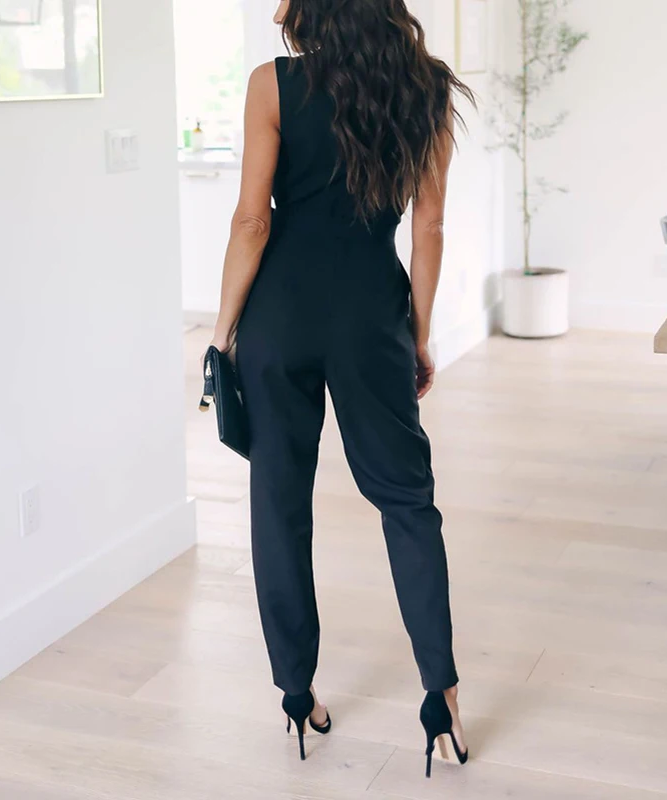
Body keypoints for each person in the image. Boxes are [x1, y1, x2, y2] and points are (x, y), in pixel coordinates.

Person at [209, 0, 474, 777]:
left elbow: (252, 222)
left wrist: (222, 334)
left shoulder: (272, 85)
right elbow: (428, 227)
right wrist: (417, 334)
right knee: (407, 501)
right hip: (369, 316)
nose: (276, 6)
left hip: (279, 316)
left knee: (279, 503)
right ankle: (442, 699)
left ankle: (297, 695)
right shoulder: (428, 88)